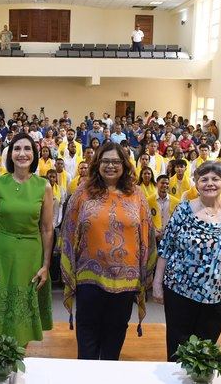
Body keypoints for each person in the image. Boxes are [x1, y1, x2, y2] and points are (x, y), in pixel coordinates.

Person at [61, 142, 151, 360]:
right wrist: (69, 270)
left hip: (125, 283)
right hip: (88, 280)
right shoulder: (82, 193)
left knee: (114, 339)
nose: (110, 166)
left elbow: (146, 237)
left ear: (124, 165)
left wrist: (144, 277)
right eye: (105, 161)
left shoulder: (137, 195)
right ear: (97, 164)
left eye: (116, 161)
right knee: (87, 340)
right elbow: (68, 231)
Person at [153, 161, 221, 361]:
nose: (209, 183)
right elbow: (166, 247)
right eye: (204, 179)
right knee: (178, 347)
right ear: (196, 183)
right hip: (180, 291)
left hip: (219, 294)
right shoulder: (183, 210)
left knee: (206, 349)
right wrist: (156, 283)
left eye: (215, 179)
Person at [0, 132, 53, 346]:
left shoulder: (43, 186)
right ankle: (2, 360)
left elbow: (47, 229)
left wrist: (46, 264)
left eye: (27, 149)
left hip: (31, 253)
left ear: (34, 154)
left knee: (23, 314)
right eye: (17, 149)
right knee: (2, 310)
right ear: (10, 155)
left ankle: (18, 361)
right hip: (2, 251)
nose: (22, 153)